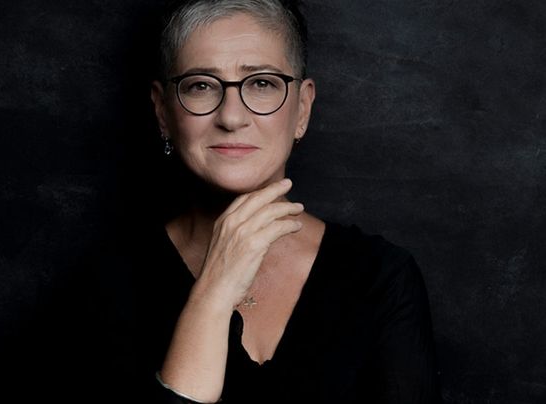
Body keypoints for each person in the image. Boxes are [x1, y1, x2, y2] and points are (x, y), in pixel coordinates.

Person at [91, 0, 443, 403]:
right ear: (162, 112)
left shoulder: (380, 277)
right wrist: (212, 296)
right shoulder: (108, 285)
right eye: (201, 85)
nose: (231, 117)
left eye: (261, 83)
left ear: (302, 109)